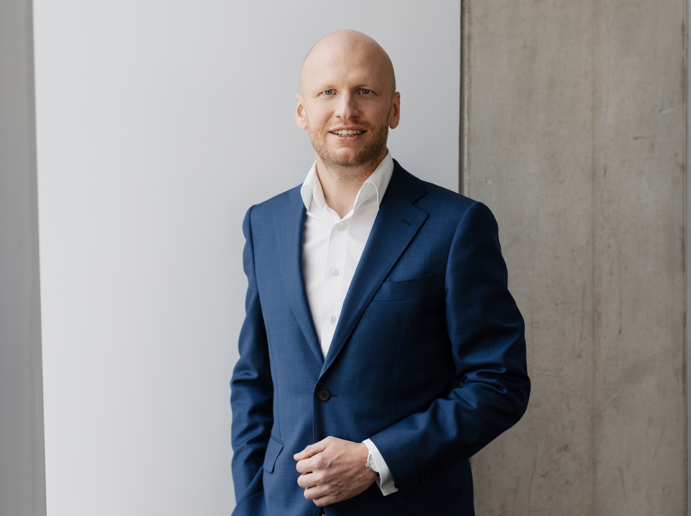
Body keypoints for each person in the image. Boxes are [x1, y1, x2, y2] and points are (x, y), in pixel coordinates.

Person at [230, 29, 530, 516]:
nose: (345, 110)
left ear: (393, 108)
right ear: (302, 111)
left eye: (364, 91)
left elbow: (499, 382)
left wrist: (376, 460)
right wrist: (250, 503)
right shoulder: (264, 224)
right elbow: (253, 380)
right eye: (328, 92)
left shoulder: (456, 225)